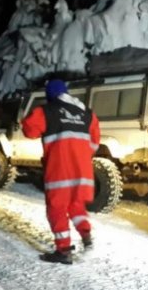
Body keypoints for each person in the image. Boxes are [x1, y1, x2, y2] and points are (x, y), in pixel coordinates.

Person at [21, 79, 100, 265]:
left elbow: (29, 130)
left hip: (60, 171)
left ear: (50, 95)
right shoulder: (87, 114)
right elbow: (94, 143)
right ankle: (87, 238)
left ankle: (63, 250)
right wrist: (79, 154)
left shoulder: (46, 111)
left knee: (56, 208)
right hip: (82, 172)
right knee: (76, 205)